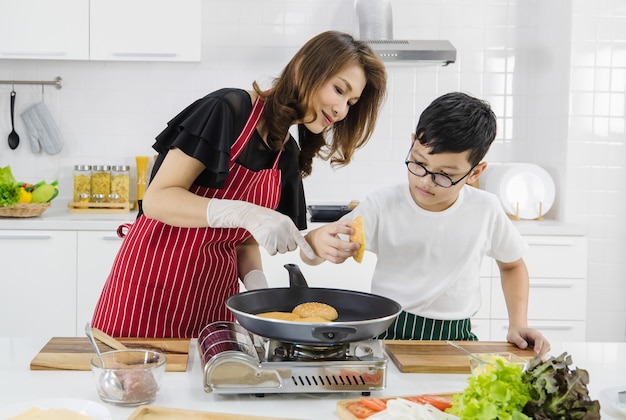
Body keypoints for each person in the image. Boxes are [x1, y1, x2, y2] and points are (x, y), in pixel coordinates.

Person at [91, 31, 387, 338]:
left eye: (351, 103)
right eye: (339, 90)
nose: (341, 110)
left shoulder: (286, 153)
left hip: (213, 301)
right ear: (304, 68)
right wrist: (246, 213)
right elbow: (157, 200)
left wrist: (259, 295)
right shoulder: (227, 110)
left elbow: (244, 243)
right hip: (150, 291)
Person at [302, 92, 551, 356]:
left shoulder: (485, 209)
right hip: (388, 331)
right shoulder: (382, 204)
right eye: (419, 163)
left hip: (457, 338)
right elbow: (312, 254)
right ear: (412, 145)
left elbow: (512, 265)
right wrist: (316, 243)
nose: (425, 181)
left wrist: (518, 324)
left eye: (445, 175)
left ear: (474, 173)